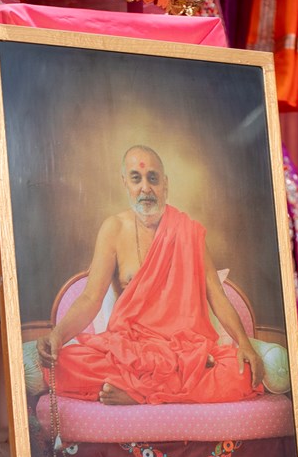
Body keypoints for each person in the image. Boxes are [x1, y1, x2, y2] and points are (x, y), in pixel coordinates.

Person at [36, 145, 265, 405]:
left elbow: (217, 294)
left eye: (153, 178)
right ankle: (159, 388)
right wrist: (58, 335)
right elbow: (90, 298)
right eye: (136, 178)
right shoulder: (113, 229)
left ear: (165, 184)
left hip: (183, 351)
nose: (145, 188)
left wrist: (244, 343)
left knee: (242, 372)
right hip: (131, 351)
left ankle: (136, 392)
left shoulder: (188, 231)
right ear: (125, 182)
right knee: (62, 365)